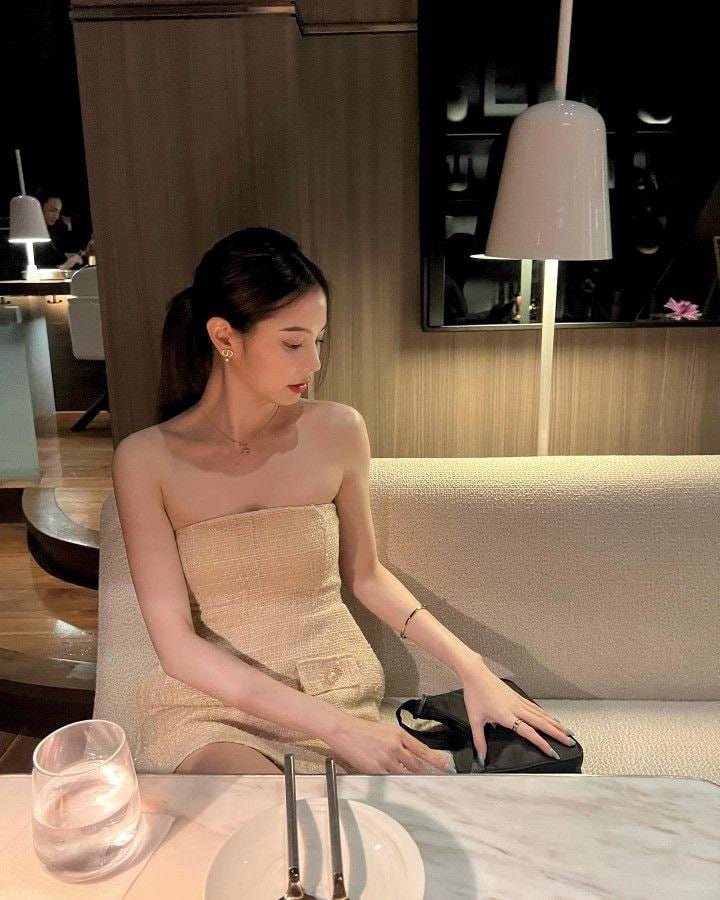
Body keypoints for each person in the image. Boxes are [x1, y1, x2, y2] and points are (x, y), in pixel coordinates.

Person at [112, 227, 575, 775]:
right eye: (293, 343)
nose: (313, 363)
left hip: (335, 686)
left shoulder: (337, 430)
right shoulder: (145, 459)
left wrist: (473, 669)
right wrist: (338, 729)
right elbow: (175, 645)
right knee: (254, 810)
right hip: (214, 705)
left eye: (319, 340)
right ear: (224, 336)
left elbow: (366, 575)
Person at [33, 189, 85, 270]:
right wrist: (65, 266)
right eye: (52, 210)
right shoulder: (33, 236)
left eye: (58, 212)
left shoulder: (52, 232)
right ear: (39, 208)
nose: (56, 217)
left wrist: (68, 257)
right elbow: (41, 267)